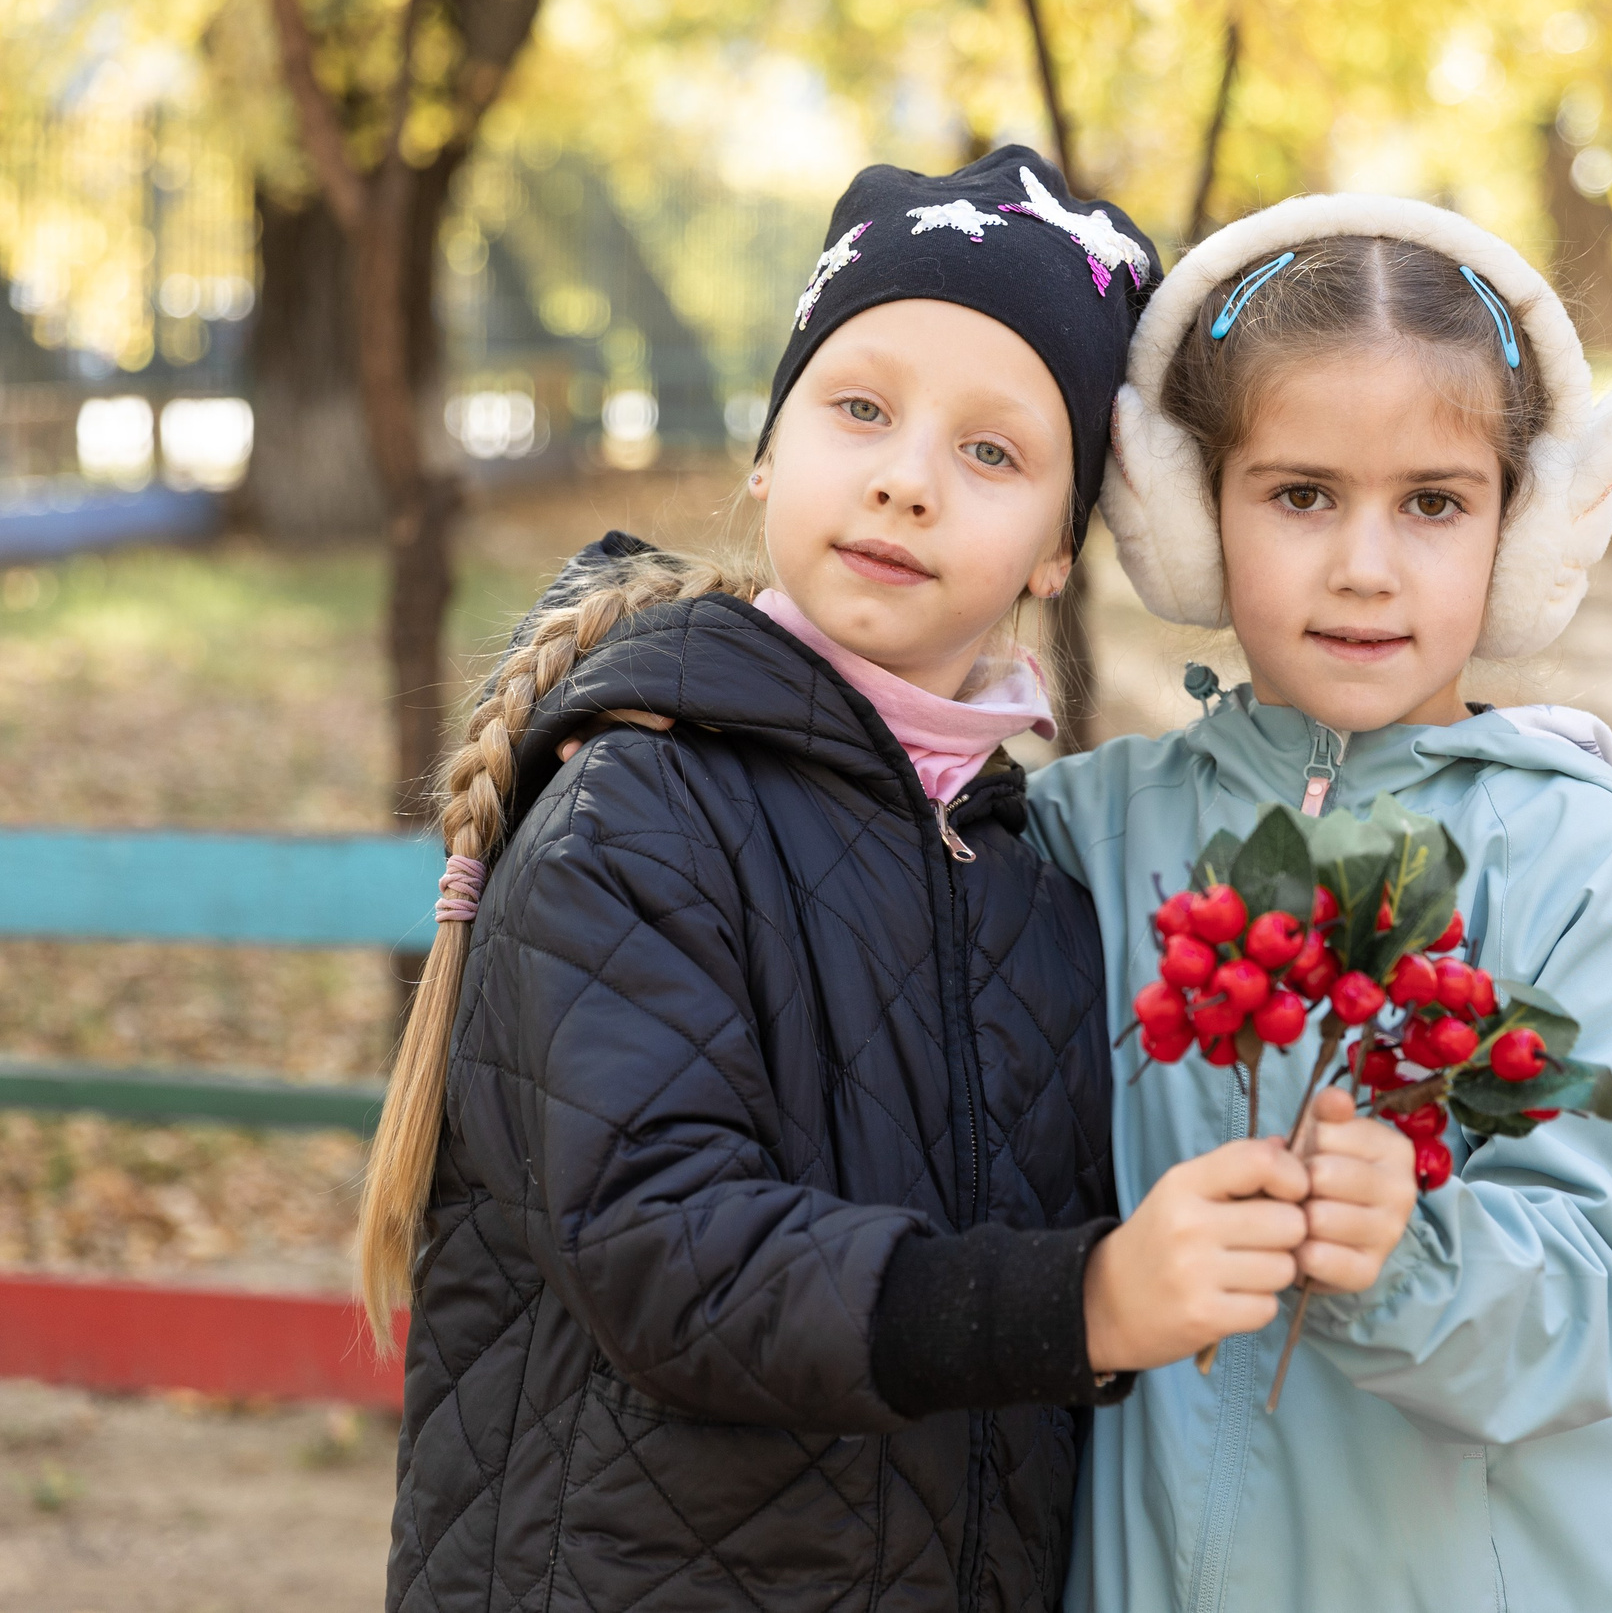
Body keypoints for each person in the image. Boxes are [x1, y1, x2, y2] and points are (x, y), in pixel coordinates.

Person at [362, 147, 1313, 1613]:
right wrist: (1087, 1300)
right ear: (769, 449)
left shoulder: (1028, 877)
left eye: (993, 453)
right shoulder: (644, 805)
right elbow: (668, 1250)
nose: (904, 478)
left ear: (1062, 550)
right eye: (858, 407)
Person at [1025, 198, 1612, 1611]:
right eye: (1300, 495)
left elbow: (1596, 1313)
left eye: (1434, 503)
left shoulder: (1586, 862)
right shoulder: (1090, 833)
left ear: (1522, 532)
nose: (1364, 564)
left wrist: (1409, 1258)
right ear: (1184, 516)